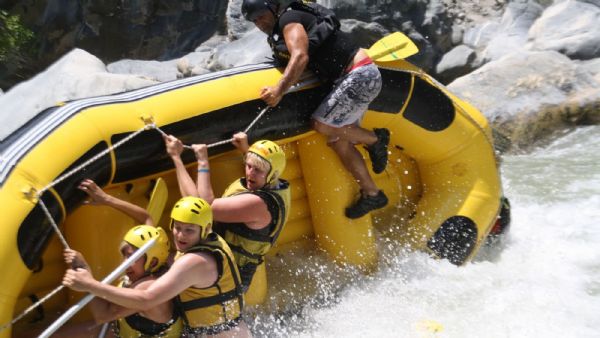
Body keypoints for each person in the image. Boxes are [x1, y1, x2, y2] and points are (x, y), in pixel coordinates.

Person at [241, 0, 390, 219]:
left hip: (359, 75)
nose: (258, 22)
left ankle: (375, 139)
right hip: (348, 80)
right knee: (340, 142)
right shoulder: (282, 26)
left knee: (322, 124)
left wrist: (279, 90)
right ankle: (372, 193)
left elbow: (300, 56)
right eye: (253, 20)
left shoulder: (288, 20)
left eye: (261, 15)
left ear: (273, 8)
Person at [63, 197, 251, 337]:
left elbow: (147, 298)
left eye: (189, 230)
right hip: (233, 330)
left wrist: (89, 284)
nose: (180, 236)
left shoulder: (194, 262)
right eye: (177, 227)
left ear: (205, 228)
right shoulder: (208, 240)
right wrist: (105, 199)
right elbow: (147, 220)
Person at [164, 132, 290, 292]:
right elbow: (260, 166)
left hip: (229, 278)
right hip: (223, 264)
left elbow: (204, 206)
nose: (250, 173)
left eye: (257, 170)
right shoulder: (276, 184)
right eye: (248, 165)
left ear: (273, 175)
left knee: (165, 264)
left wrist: (194, 160)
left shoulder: (258, 204)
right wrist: (246, 149)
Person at [62, 225, 182, 338]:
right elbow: (147, 219)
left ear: (152, 262)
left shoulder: (148, 285)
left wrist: (87, 279)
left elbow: (103, 314)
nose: (125, 263)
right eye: (124, 255)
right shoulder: (143, 274)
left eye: (131, 257)